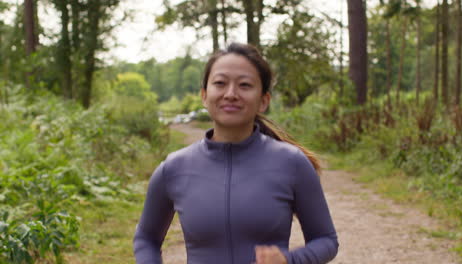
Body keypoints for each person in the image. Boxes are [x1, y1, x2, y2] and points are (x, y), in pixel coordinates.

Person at [133, 43, 339, 264]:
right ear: (204, 95)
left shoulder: (292, 163)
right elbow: (146, 238)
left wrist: (289, 261)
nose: (231, 94)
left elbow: (326, 240)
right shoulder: (173, 169)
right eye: (220, 83)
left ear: (264, 101)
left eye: (245, 85)